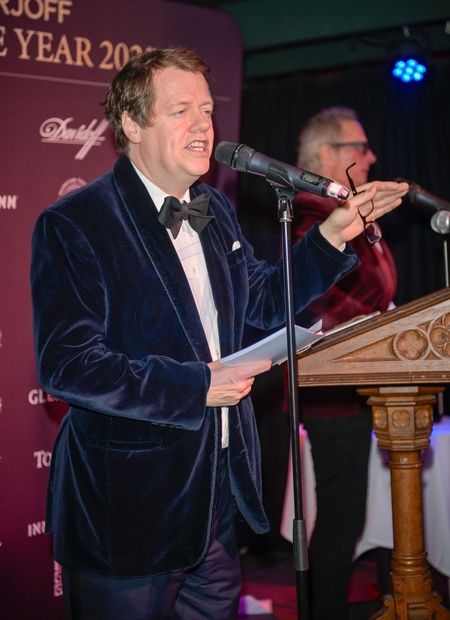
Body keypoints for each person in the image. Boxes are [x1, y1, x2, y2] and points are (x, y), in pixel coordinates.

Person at [30, 49, 407, 620]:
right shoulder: (76, 223)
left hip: (214, 499)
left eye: (207, 110)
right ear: (132, 123)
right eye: (181, 110)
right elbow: (69, 365)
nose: (204, 125)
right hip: (128, 512)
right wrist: (195, 385)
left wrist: (332, 234)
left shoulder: (215, 211)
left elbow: (263, 301)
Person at [290, 106, 398, 620]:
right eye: (360, 148)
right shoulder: (311, 217)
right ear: (326, 154)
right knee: (339, 521)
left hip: (363, 384)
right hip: (334, 389)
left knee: (351, 517)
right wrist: (383, 324)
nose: (370, 156)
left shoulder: (342, 209)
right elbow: (317, 301)